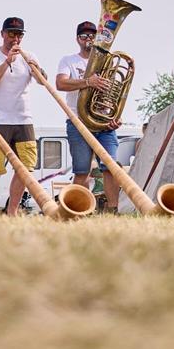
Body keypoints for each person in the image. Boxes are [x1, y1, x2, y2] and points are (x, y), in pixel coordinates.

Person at [0, 16, 45, 216]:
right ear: (2, 34)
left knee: (25, 169)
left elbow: (43, 81)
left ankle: (12, 211)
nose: (15, 39)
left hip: (23, 119)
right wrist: (7, 61)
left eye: (19, 35)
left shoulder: (29, 55)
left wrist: (36, 68)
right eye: (11, 34)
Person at [56, 20, 121, 212]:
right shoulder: (68, 60)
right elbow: (60, 84)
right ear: (78, 39)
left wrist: (115, 116)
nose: (89, 39)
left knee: (111, 168)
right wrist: (88, 82)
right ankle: (78, 211)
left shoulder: (108, 61)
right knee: (82, 171)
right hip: (78, 122)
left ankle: (113, 211)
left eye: (92, 35)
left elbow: (114, 94)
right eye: (84, 36)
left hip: (103, 123)